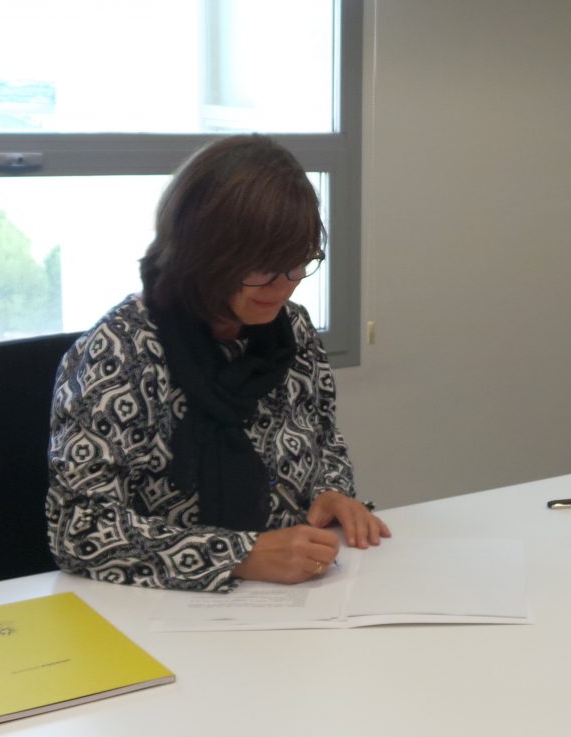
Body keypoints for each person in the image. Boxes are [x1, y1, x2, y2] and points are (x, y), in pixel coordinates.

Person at [47, 134, 387, 590]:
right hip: (159, 609)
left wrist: (331, 491)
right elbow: (80, 529)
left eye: (299, 263)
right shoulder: (120, 352)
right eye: (262, 269)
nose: (284, 286)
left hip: (296, 593)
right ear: (202, 257)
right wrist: (240, 554)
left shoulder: (292, 330)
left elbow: (323, 439)